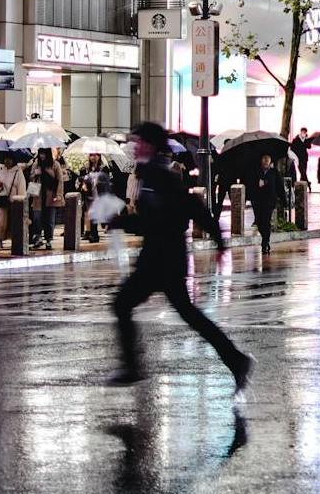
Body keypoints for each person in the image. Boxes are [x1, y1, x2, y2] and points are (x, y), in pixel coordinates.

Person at [107, 122, 252, 391]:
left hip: (165, 261)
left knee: (129, 305)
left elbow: (187, 208)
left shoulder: (161, 176)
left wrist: (219, 241)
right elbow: (160, 217)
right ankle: (236, 360)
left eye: (138, 141)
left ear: (149, 144)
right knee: (181, 314)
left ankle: (132, 367)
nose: (134, 146)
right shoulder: (149, 173)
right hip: (158, 259)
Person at [0, 154, 26, 249]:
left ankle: (15, 240)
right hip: (2, 200)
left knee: (14, 221)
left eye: (9, 159)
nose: (7, 161)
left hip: (14, 200)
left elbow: (21, 187)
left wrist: (20, 200)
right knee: (0, 221)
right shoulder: (0, 173)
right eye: (5, 159)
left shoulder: (18, 172)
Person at [28, 148, 61, 250]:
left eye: (44, 153)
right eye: (40, 153)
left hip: (50, 195)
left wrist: (59, 194)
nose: (42, 156)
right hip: (38, 195)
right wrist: (36, 174)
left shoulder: (55, 164)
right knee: (37, 218)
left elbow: (59, 180)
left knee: (49, 219)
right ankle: (37, 238)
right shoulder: (36, 164)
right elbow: (31, 177)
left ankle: (48, 239)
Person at [249, 152, 282, 255]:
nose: (266, 162)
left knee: (266, 221)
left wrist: (284, 201)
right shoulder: (255, 171)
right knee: (259, 222)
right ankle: (265, 238)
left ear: (270, 162)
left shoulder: (274, 172)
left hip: (269, 201)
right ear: (261, 161)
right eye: (264, 160)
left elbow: (279, 186)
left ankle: (265, 242)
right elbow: (250, 183)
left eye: (267, 160)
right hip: (257, 201)